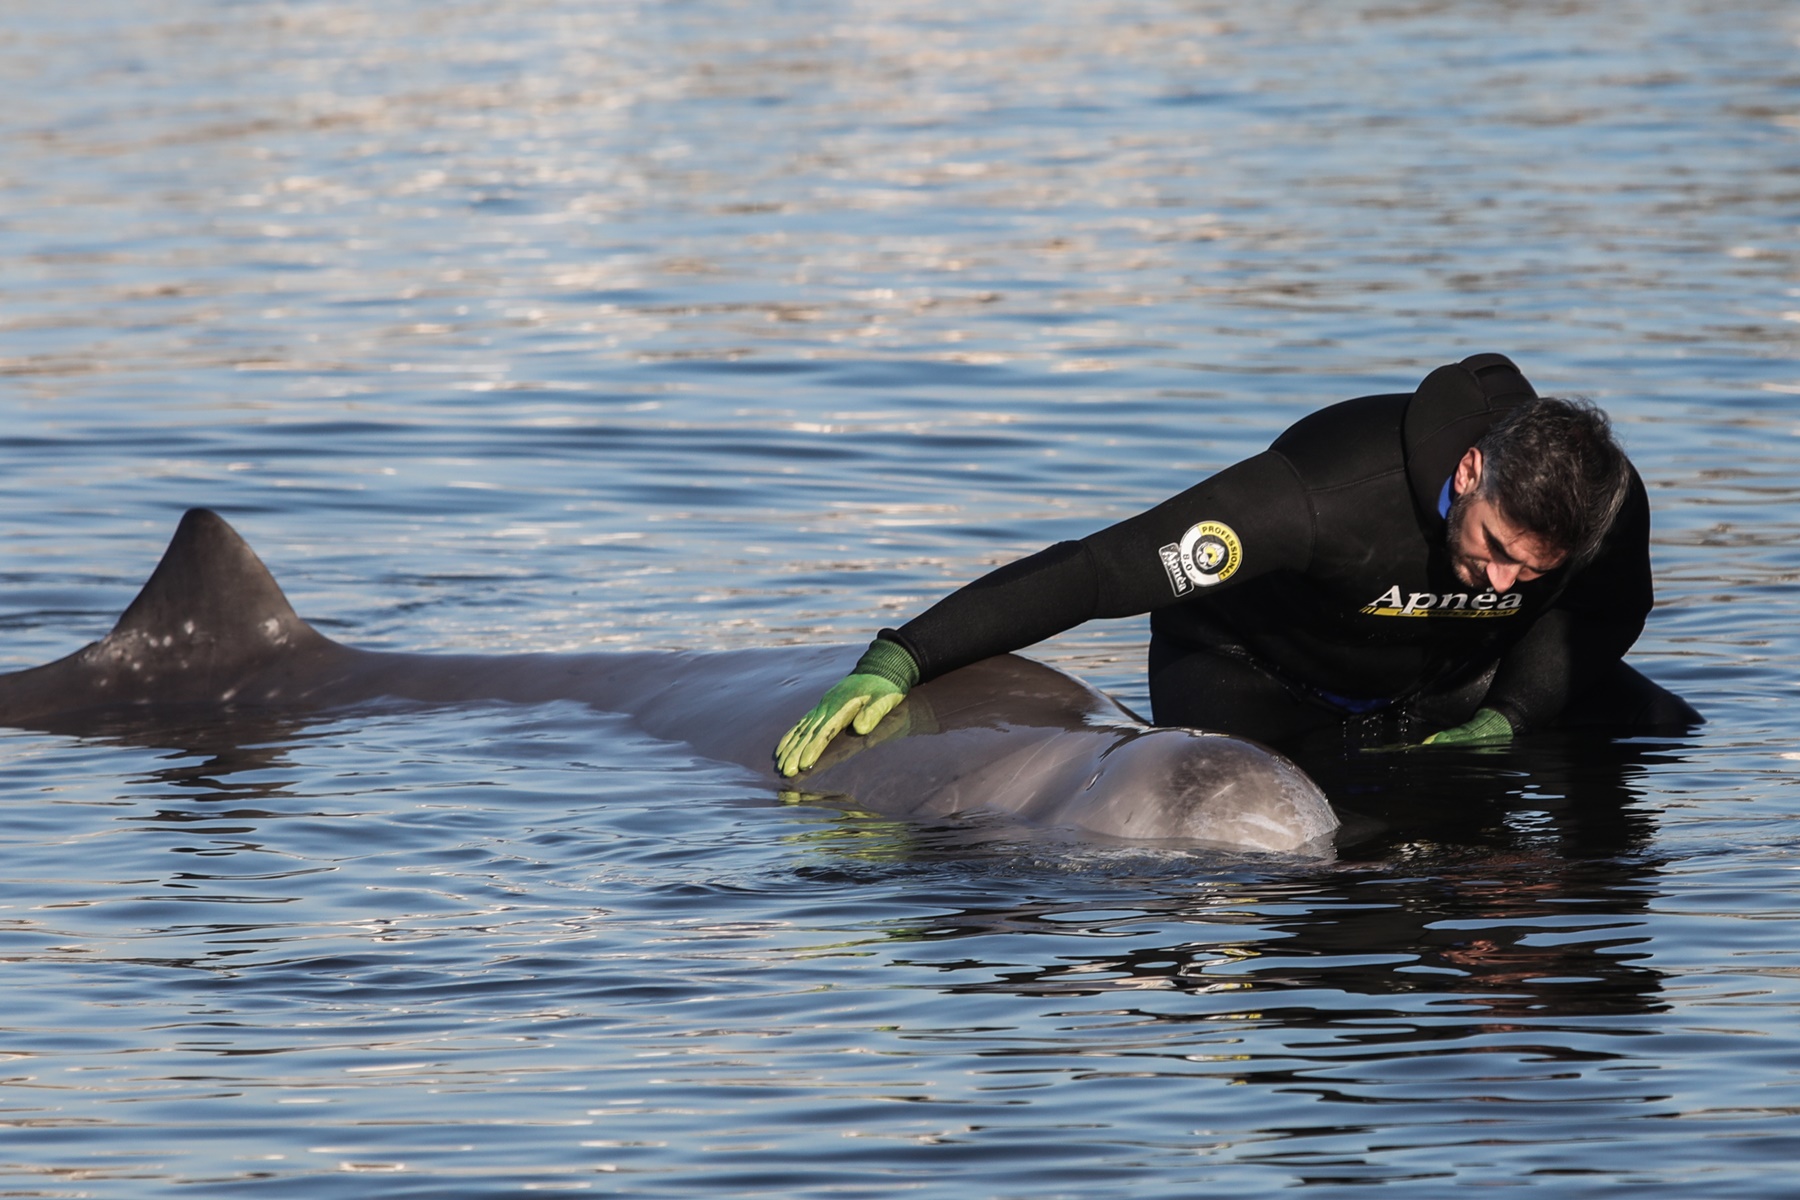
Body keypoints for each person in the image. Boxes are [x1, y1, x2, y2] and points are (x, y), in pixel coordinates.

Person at [776, 353, 1699, 777]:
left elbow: (1598, 619)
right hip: (1253, 678)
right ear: (1470, 471)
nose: (1501, 585)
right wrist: (902, 655)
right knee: (1322, 835)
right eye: (1495, 549)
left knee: (1662, 730)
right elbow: (1102, 570)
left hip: (1450, 683)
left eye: (1530, 574)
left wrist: (1510, 717)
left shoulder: (1599, 510)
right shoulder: (1323, 492)